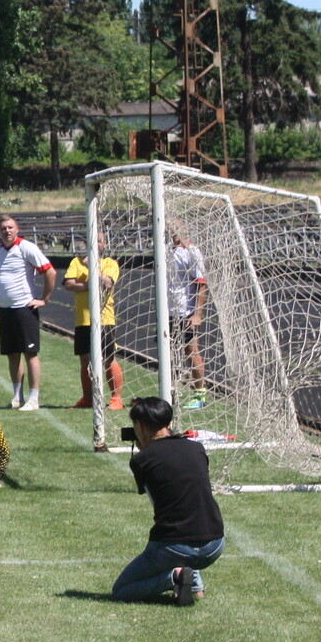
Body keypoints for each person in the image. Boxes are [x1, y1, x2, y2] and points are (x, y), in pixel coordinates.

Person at [110, 396, 223, 605]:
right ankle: (195, 586)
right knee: (189, 518)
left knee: (121, 590)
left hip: (174, 547)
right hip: (215, 544)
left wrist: (144, 451)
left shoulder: (141, 460)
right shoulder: (196, 448)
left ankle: (175, 577)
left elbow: (162, 506)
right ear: (169, 423)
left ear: (140, 426)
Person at [0, 215, 54, 410]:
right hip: (6, 309)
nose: (7, 231)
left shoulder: (26, 247)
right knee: (12, 354)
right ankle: (17, 397)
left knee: (30, 353)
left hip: (24, 308)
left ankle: (33, 399)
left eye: (10, 227)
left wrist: (44, 299)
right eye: (3, 228)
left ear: (17, 229)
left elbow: (50, 271)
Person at [63, 238, 123, 413]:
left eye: (100, 241)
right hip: (83, 319)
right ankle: (88, 398)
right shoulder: (76, 262)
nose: (96, 244)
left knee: (108, 358)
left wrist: (92, 269)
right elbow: (68, 284)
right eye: (93, 240)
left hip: (104, 319)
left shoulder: (110, 263)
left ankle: (116, 398)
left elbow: (107, 283)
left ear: (105, 245)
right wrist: (89, 284)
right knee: (84, 360)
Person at [169, 236, 209, 410]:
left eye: (177, 228)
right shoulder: (164, 247)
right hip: (166, 311)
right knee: (167, 353)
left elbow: (201, 284)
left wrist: (197, 314)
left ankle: (200, 395)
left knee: (191, 350)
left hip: (185, 312)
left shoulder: (191, 251)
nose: (174, 232)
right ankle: (169, 393)